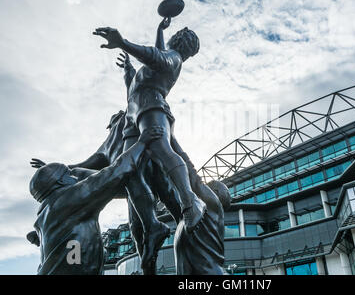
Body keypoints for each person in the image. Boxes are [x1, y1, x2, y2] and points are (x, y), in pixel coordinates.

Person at [30, 105, 182, 275]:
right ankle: (154, 227)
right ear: (58, 183)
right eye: (68, 175)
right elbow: (116, 171)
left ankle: (154, 227)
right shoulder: (70, 198)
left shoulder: (47, 214)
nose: (75, 177)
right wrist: (142, 142)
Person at [93, 19, 206, 237]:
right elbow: (139, 79)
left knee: (161, 149)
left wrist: (123, 43)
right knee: (130, 169)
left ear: (180, 41)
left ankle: (190, 200)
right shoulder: (167, 57)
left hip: (151, 104)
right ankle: (149, 224)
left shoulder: (173, 58)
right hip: (135, 113)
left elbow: (156, 55)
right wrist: (157, 32)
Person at [174, 177, 231, 275]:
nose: (230, 197)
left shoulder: (214, 204)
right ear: (215, 191)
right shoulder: (188, 217)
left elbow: (193, 179)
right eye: (227, 192)